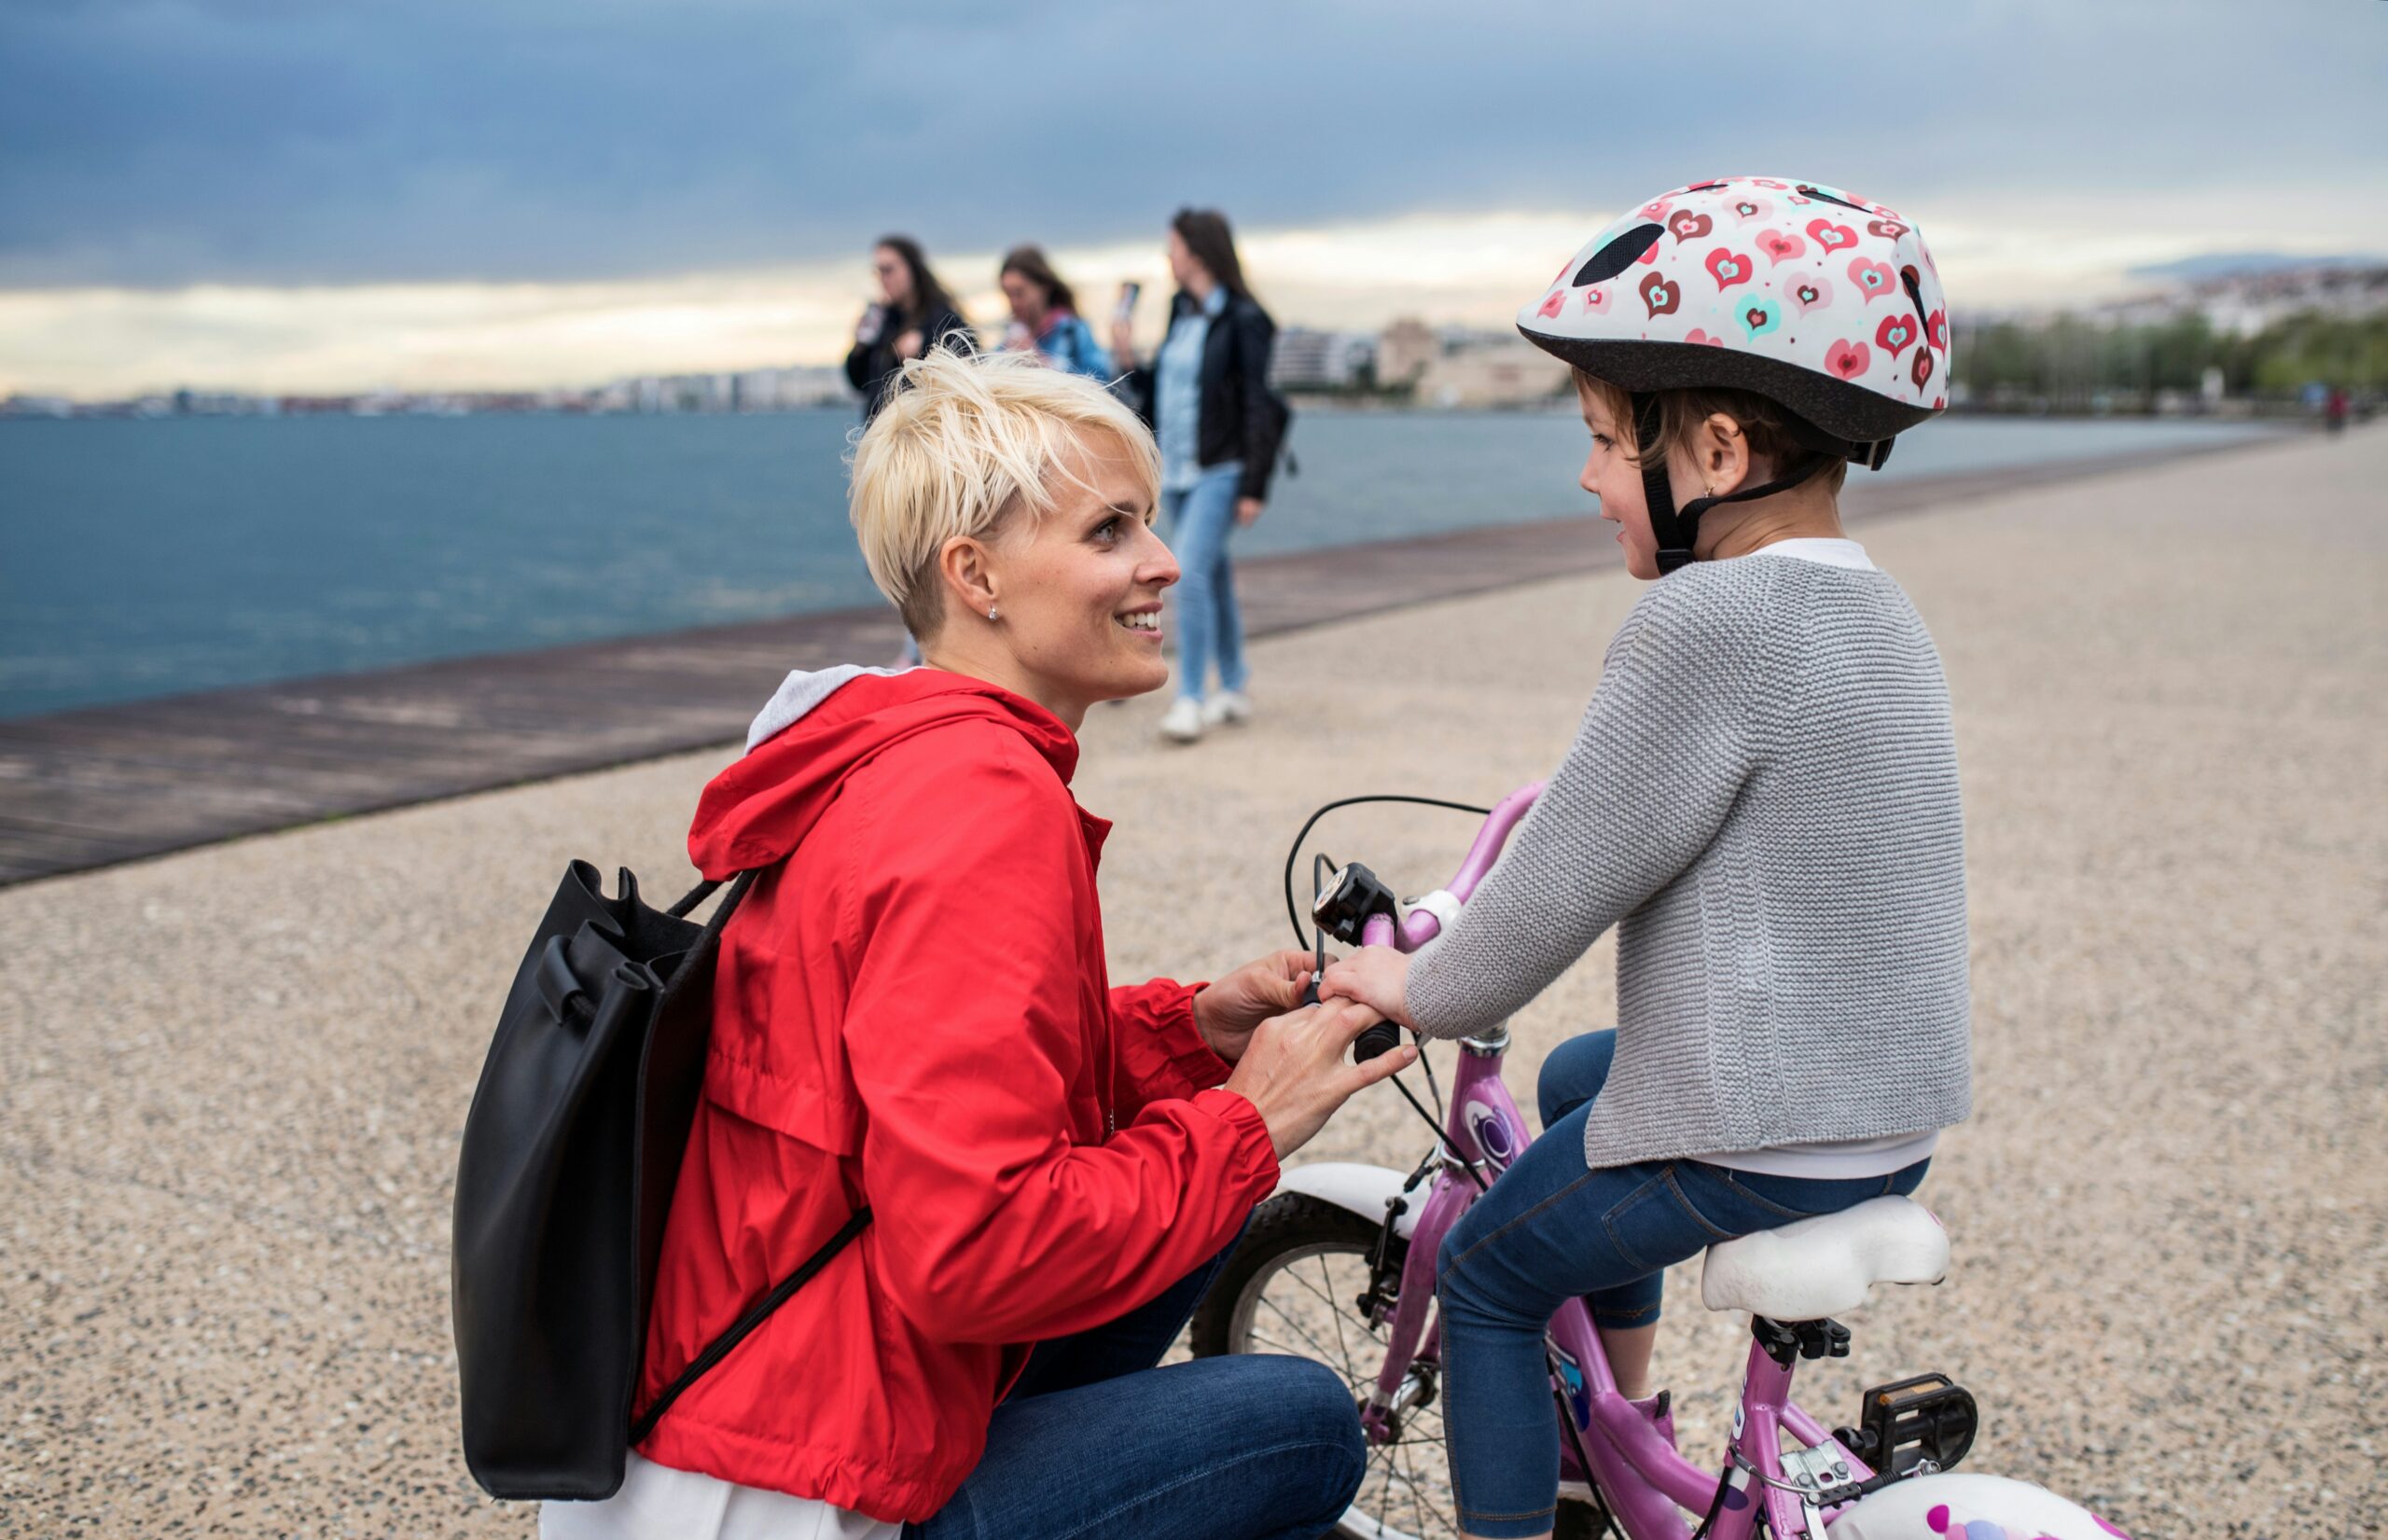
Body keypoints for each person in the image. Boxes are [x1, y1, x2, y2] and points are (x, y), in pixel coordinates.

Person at [543, 349, 1407, 1540]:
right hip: (791, 1494)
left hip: (739, 1402)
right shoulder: (979, 806)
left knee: (1194, 1238)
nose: (1163, 561)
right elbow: (972, 1250)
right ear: (977, 575)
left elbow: (917, 1075)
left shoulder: (898, 750)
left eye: (1149, 524)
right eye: (1110, 531)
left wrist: (1188, 1032)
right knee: (1302, 1421)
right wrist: (1244, 1124)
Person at [1322, 177, 1974, 1540]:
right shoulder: (1880, 607)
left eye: (1608, 439)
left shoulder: (1706, 619)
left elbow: (1554, 887)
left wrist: (1411, 989)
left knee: (1497, 1277)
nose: (1587, 474)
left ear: (1720, 451)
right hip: (1887, 1105)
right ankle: (1617, 1424)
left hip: (1767, 1136)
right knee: (1575, 1075)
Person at [1113, 209, 1284, 744]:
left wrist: (1255, 485)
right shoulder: (1180, 312)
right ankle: (1232, 683)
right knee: (1212, 575)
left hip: (1221, 468)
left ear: (1199, 252)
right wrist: (1127, 358)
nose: (1168, 257)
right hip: (1177, 467)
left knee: (1185, 574)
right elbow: (1163, 389)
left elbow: (1260, 403)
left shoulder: (1244, 318)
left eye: (1174, 247)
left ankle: (1189, 698)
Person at [844, 236, 977, 421]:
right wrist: (860, 346)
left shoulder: (942, 318)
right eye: (878, 272)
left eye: (888, 270)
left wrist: (924, 349)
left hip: (923, 435)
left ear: (912, 269)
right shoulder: (883, 318)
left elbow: (968, 370)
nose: (883, 279)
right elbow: (859, 383)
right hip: (881, 435)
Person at [997, 244, 1115, 381]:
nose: (1014, 302)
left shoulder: (1073, 331)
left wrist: (1040, 362)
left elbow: (1102, 380)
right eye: (1008, 294)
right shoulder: (1009, 338)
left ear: (1044, 288)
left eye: (1020, 292)